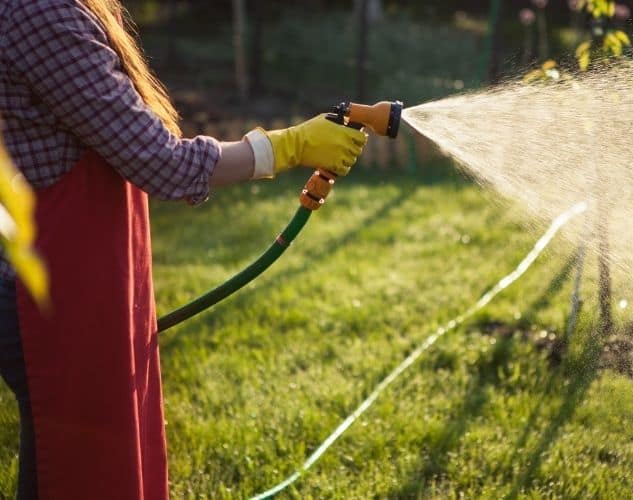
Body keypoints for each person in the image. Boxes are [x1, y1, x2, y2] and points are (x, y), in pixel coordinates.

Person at [0, 1, 367, 498]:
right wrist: (288, 147)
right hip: (47, 294)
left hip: (77, 281)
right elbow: (161, 164)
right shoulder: (36, 13)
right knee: (71, 467)